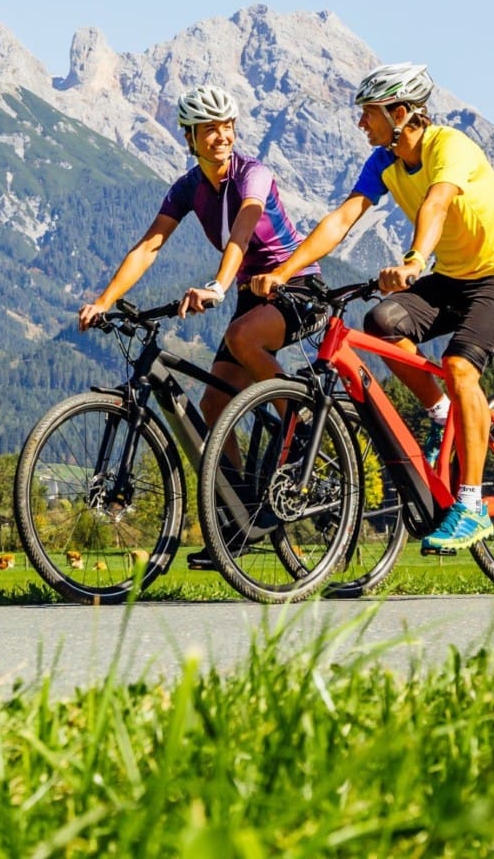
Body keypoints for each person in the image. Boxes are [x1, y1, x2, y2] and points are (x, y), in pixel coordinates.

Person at [248, 63, 494, 554]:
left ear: (400, 113)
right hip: (452, 277)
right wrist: (285, 271)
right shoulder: (383, 161)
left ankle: (470, 505)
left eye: (369, 114)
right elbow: (342, 218)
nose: (362, 124)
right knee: (381, 321)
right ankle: (443, 413)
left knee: (460, 365)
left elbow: (437, 203)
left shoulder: (450, 147)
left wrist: (414, 260)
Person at [78, 84, 324, 568]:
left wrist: (216, 284)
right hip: (250, 296)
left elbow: (244, 228)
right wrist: (105, 300)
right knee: (214, 407)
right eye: (209, 129)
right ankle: (238, 520)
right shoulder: (189, 187)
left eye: (227, 126)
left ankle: (301, 422)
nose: (221, 136)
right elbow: (150, 245)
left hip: (295, 289)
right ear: (190, 137)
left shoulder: (253, 174)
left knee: (241, 337)